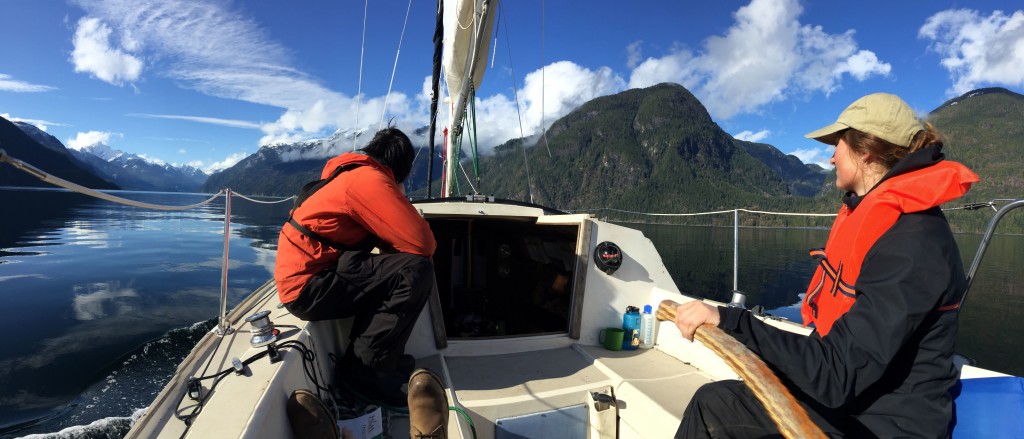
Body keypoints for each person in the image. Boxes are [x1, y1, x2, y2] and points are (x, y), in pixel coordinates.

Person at [673, 93, 979, 438]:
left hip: (881, 424)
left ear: (866, 151)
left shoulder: (914, 243)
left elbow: (836, 376)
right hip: (855, 401)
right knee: (715, 402)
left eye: (838, 144)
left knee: (716, 410)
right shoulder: (885, 222)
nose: (832, 157)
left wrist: (730, 320)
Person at [274, 127, 437, 407]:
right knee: (415, 271)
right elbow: (423, 244)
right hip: (309, 286)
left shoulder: (351, 175)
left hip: (310, 277)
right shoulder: (369, 181)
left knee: (396, 271)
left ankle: (385, 361)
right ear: (402, 168)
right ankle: (363, 372)